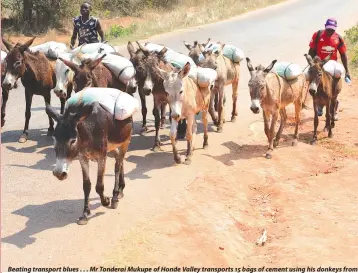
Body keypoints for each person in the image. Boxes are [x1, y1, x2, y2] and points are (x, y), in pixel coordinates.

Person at [308, 18, 350, 121]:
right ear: (325, 27)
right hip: (319, 64)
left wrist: (347, 71)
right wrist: (312, 64)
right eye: (328, 29)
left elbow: (343, 55)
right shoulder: (317, 35)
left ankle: (334, 107)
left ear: (335, 29)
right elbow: (311, 51)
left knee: (336, 82)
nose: (330, 31)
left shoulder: (338, 38)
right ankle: (319, 105)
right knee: (311, 80)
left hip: (331, 65)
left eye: (332, 30)